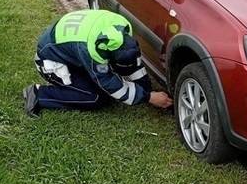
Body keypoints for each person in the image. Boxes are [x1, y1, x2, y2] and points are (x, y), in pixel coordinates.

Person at [23, 9, 173, 115]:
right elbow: (107, 83)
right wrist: (148, 97)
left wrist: (147, 89)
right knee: (95, 98)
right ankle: (38, 94)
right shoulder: (92, 49)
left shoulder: (119, 32)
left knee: (106, 87)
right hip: (50, 62)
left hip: (70, 52)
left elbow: (134, 64)